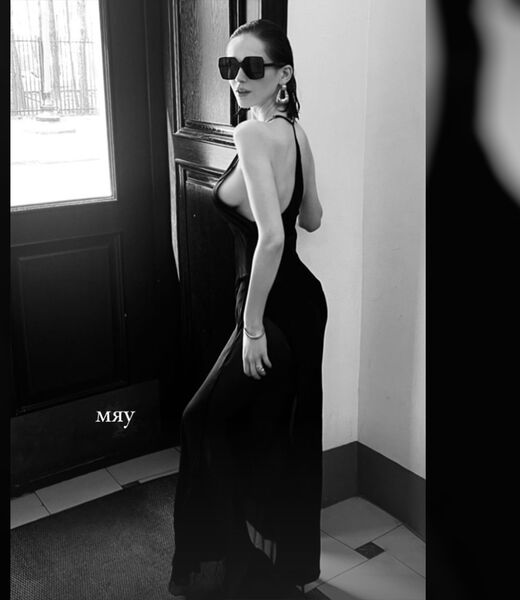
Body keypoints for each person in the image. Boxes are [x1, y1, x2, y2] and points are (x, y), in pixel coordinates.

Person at [168, 19, 328, 599]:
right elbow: (311, 219)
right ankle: (269, 562)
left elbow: (274, 238)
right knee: (275, 431)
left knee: (200, 420)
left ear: (283, 75)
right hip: (304, 304)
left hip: (271, 309)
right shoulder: (294, 131)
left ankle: (229, 562)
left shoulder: (251, 134)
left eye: (252, 66)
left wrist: (252, 326)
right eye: (229, 65)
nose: (238, 77)